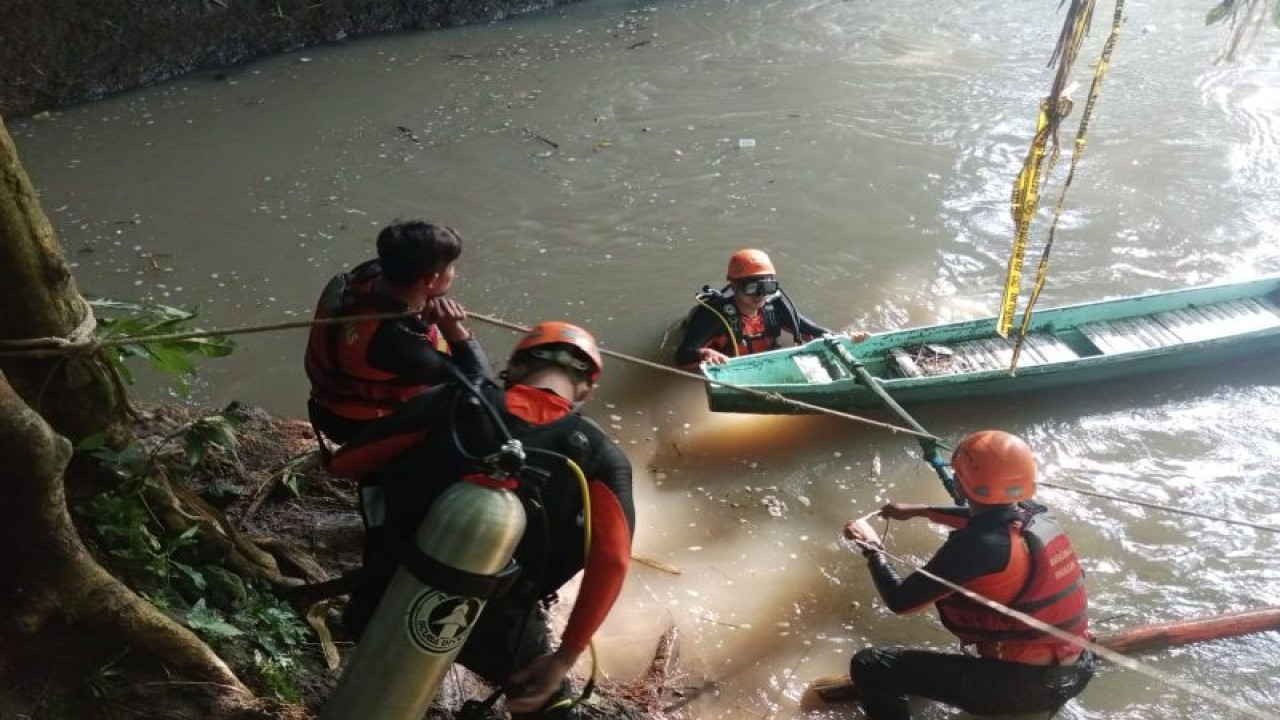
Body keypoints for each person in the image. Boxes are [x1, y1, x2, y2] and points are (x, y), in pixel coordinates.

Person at [329, 321, 635, 719]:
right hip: (498, 622)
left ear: (515, 366)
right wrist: (566, 655)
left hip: (389, 590)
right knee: (550, 704)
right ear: (586, 390)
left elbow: (346, 464)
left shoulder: (449, 402)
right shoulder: (600, 457)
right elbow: (612, 561)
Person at [841, 430, 1094, 720]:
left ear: (960, 482)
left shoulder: (977, 546)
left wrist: (872, 548)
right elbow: (990, 518)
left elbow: (901, 601)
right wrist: (922, 511)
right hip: (1077, 668)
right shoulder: (1038, 515)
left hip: (1021, 687)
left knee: (871, 665)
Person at [303, 219, 492, 446]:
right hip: (358, 426)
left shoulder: (370, 273)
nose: (454, 273)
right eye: (450, 267)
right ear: (430, 279)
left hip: (331, 402)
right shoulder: (395, 342)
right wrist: (454, 330)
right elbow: (482, 387)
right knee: (476, 418)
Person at [672, 248, 869, 369]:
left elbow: (813, 332)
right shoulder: (713, 316)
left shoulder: (775, 307)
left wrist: (846, 338)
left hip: (764, 361)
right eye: (751, 288)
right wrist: (704, 354)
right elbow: (681, 357)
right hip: (727, 365)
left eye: (766, 288)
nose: (759, 295)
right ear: (734, 286)